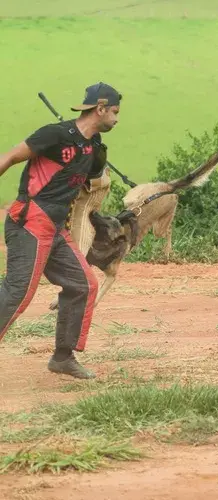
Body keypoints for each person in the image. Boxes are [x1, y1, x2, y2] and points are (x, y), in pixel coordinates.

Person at [0, 82, 121, 379]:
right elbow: (10, 157)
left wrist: (99, 164)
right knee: (18, 292)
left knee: (83, 285)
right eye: (115, 112)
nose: (117, 119)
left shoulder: (92, 149)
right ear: (100, 108)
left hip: (55, 228)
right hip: (30, 221)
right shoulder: (54, 135)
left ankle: (63, 358)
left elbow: (90, 184)